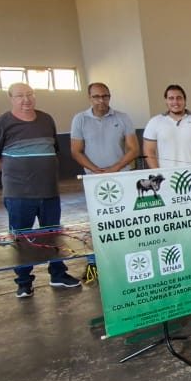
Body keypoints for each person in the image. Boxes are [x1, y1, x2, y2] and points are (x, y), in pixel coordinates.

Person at [0, 83, 82, 298]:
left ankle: (58, 274)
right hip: (19, 195)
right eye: (20, 96)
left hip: (49, 192)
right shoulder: (1, 124)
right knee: (22, 239)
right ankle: (24, 281)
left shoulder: (46, 120)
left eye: (29, 95)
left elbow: (52, 150)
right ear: (11, 98)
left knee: (53, 235)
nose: (26, 100)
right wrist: (15, 173)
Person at [142, 84, 191, 270]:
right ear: (166, 100)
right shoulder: (155, 123)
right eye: (171, 98)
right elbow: (149, 151)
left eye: (179, 98)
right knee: (172, 219)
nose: (175, 102)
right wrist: (157, 177)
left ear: (184, 100)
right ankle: (179, 256)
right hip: (167, 182)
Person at [70, 82, 140, 283]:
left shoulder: (122, 117)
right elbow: (76, 150)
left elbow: (133, 149)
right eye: (97, 96)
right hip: (94, 181)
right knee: (98, 222)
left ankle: (127, 260)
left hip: (122, 176)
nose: (101, 100)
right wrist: (95, 170)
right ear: (89, 98)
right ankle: (94, 265)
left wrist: (115, 168)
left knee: (126, 220)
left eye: (105, 96)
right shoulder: (80, 119)